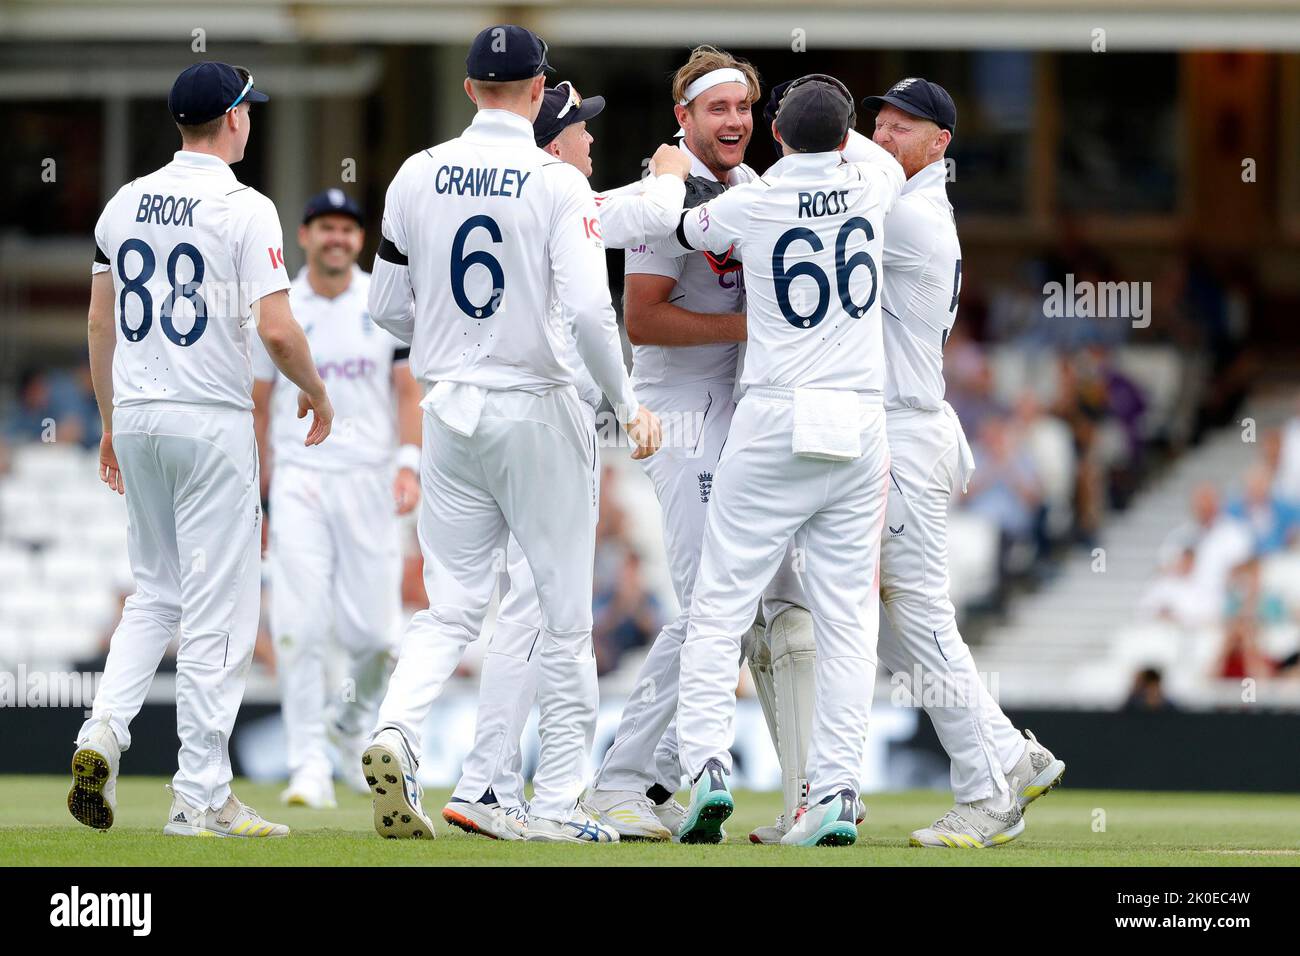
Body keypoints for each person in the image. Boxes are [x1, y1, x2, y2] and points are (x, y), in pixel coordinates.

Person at [360, 25, 661, 845]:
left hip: (448, 407)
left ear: (468, 91)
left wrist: (453, 335)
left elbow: (386, 311)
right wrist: (625, 397)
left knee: (449, 608)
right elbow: (592, 311)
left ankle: (396, 732)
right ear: (538, 92)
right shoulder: (553, 183)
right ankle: (561, 800)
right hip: (536, 403)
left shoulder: (416, 173)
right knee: (563, 614)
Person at [71, 61, 333, 838]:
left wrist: (111, 419)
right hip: (210, 417)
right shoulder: (245, 208)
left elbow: (98, 323)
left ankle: (103, 731)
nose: (252, 120)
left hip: (142, 413)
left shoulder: (123, 203)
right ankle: (201, 794)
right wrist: (317, 392)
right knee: (221, 606)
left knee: (154, 594)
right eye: (248, 109)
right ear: (233, 117)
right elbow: (279, 330)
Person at [442, 80, 691, 841]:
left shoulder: (529, 198)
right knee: (556, 616)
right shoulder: (562, 196)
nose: (590, 139)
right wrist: (673, 169)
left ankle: (485, 781)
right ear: (550, 144)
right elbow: (652, 209)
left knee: (523, 610)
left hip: (484, 417)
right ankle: (550, 794)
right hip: (553, 424)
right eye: (580, 128)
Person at [584, 44, 816, 843]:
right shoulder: (665, 193)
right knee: (712, 601)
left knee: (735, 600)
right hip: (677, 410)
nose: (736, 122)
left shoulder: (751, 187)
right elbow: (640, 318)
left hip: (739, 406)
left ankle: (661, 778)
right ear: (683, 118)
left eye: (745, 108)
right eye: (718, 108)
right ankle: (626, 781)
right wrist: (755, 327)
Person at [664, 74, 902, 846]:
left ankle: (705, 768)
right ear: (844, 137)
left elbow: (690, 229)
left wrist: (674, 172)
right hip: (858, 418)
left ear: (774, 135)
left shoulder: (752, 200)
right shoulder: (873, 181)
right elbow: (868, 155)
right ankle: (834, 787)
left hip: (774, 411)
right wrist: (835, 121)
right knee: (847, 618)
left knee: (720, 602)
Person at [252, 189, 422, 810]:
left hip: (370, 481)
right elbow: (259, 401)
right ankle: (307, 767)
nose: (337, 239)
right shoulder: (280, 306)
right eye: (325, 227)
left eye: (348, 230)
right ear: (305, 236)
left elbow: (407, 391)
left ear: (359, 239)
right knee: (298, 628)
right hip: (299, 479)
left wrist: (409, 464)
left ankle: (350, 729)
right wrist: (258, 492)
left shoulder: (384, 300)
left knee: (380, 638)